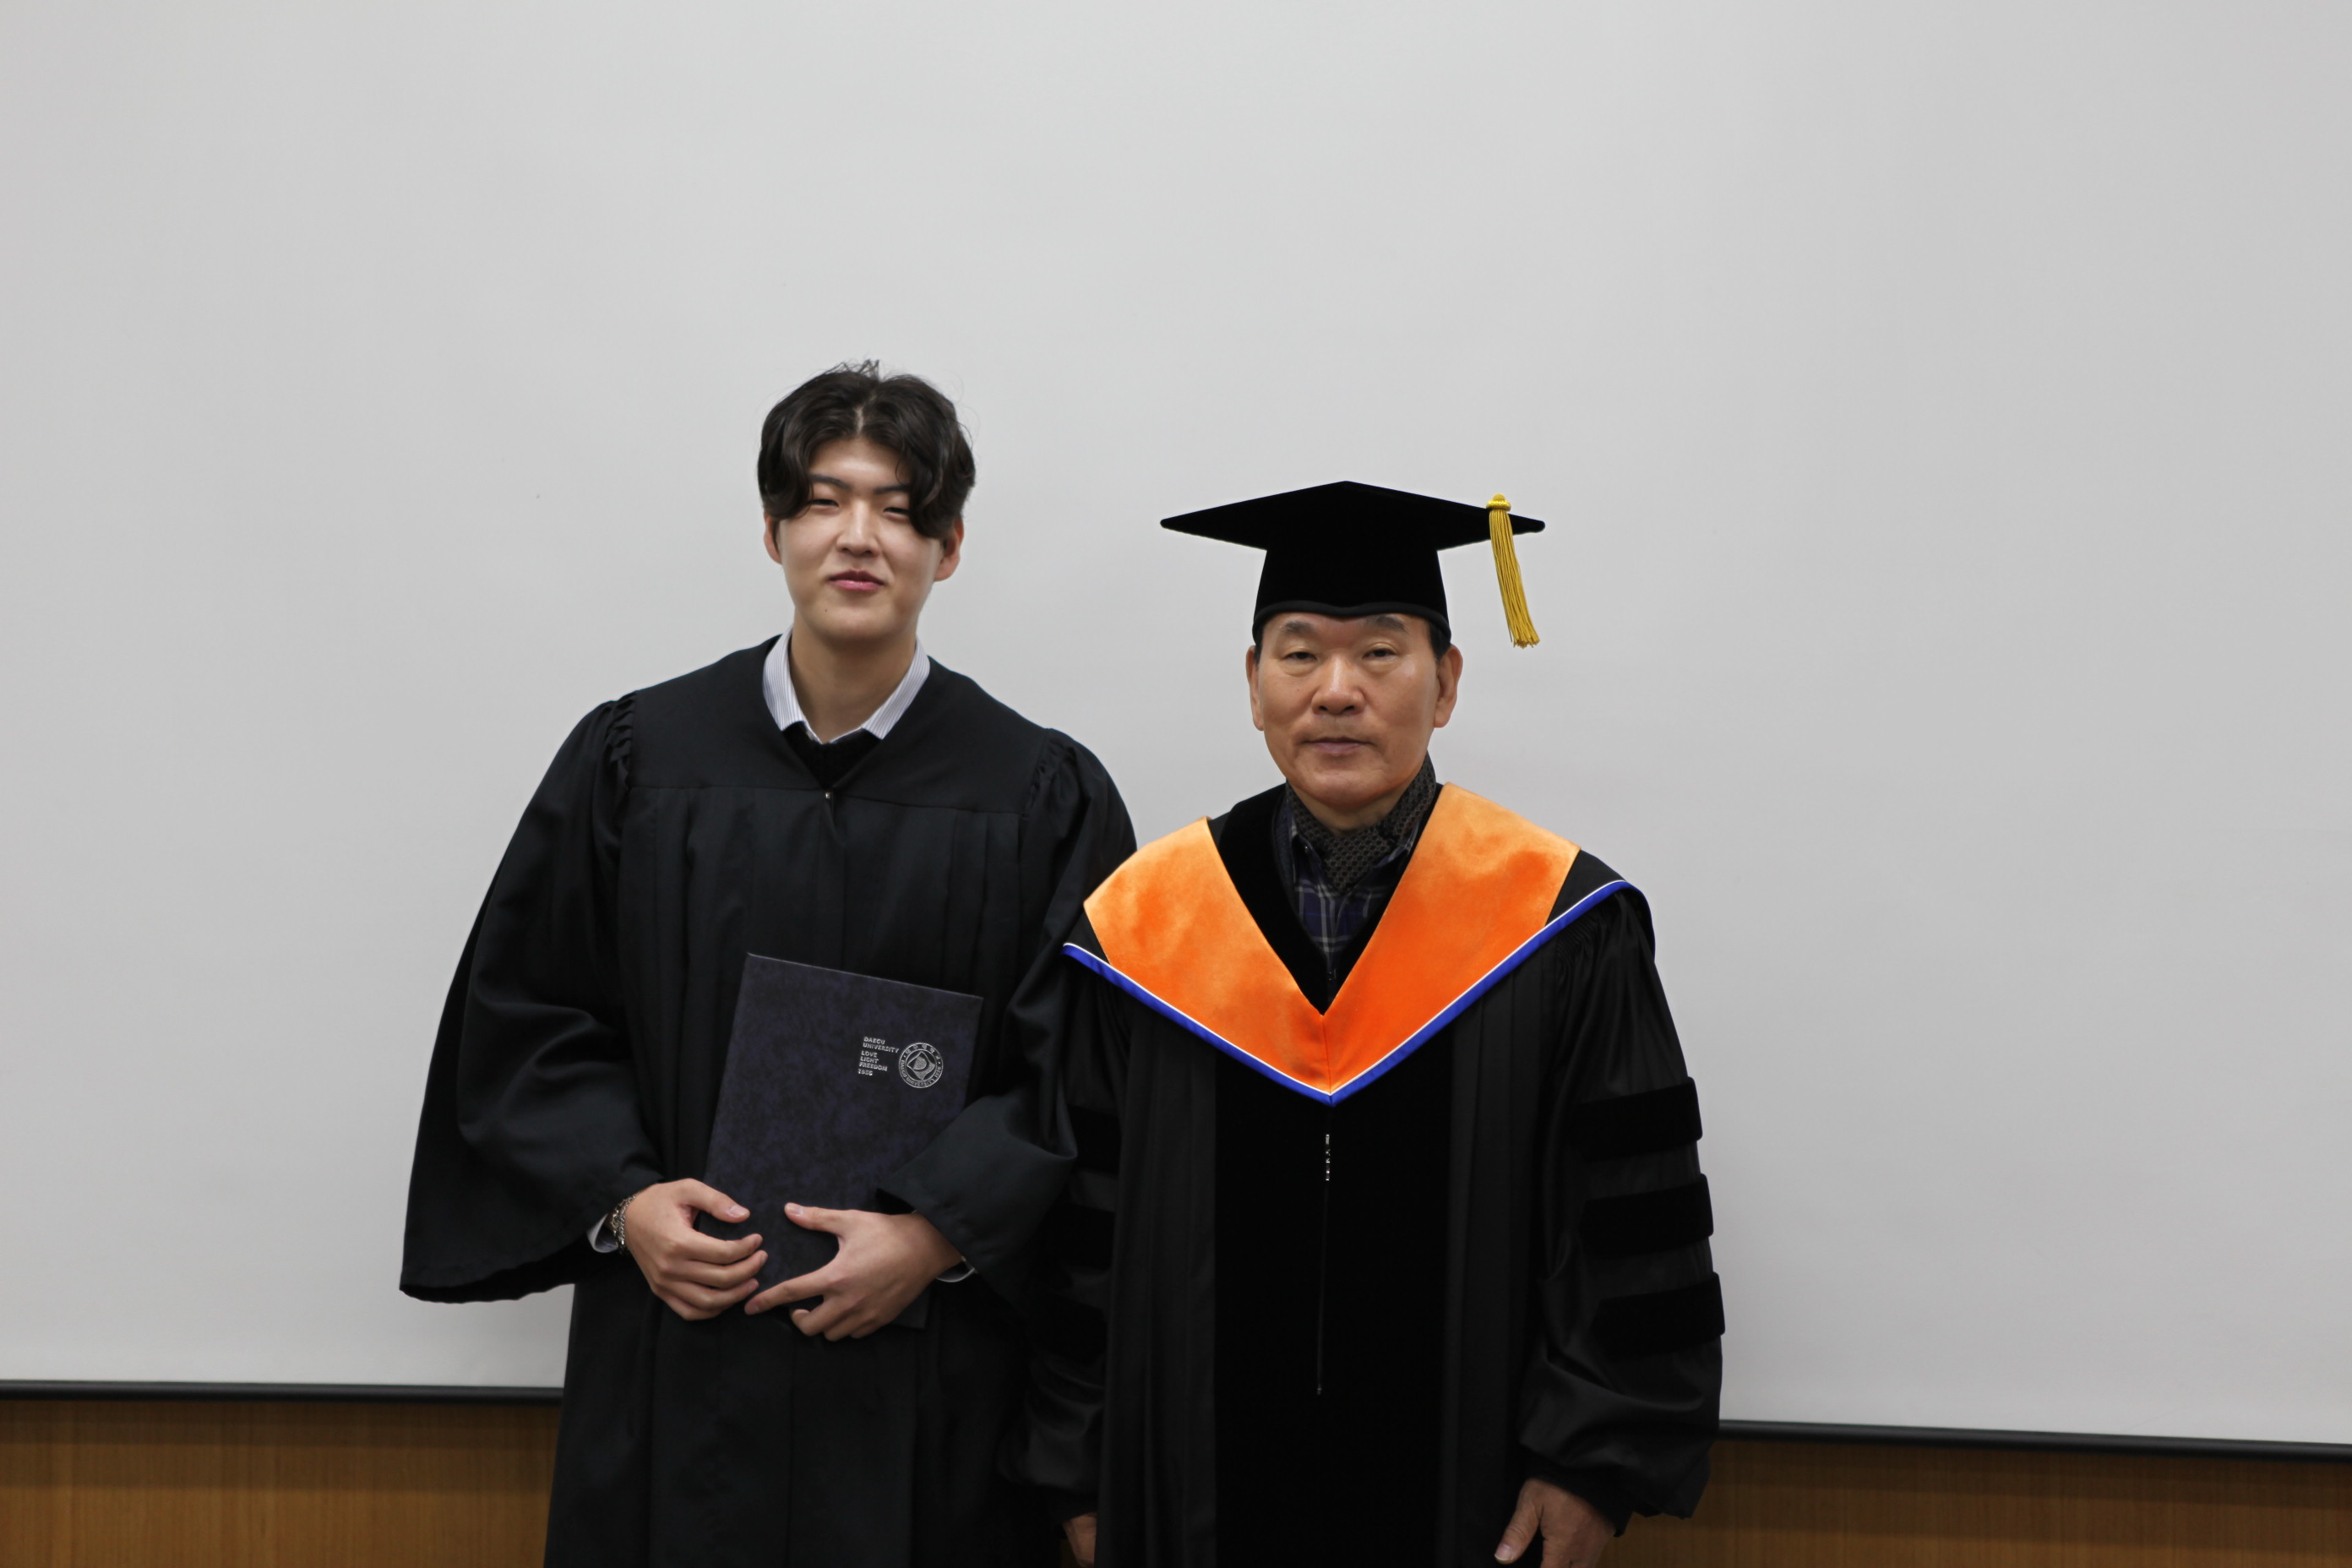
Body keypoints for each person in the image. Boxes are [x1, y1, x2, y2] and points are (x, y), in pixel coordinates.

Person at [400, 362, 1134, 1567]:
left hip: (928, 1373)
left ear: (948, 547)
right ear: (773, 529)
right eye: (824, 500)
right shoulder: (638, 759)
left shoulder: (1040, 792)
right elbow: (530, 1015)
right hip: (683, 1352)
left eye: (899, 508)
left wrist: (936, 1233)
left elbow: (1083, 1073)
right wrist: (626, 1203)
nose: (859, 536)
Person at [1008, 482, 1722, 1567]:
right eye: (1299, 654)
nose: (1336, 690)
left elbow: (1626, 1221)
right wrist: (1078, 1463)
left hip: (1475, 1499)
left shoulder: (1561, 922)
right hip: (1192, 1498)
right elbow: (1082, 1233)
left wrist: (1591, 1462)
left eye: (1380, 653)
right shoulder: (1145, 928)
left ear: (1447, 682)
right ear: (1254, 685)